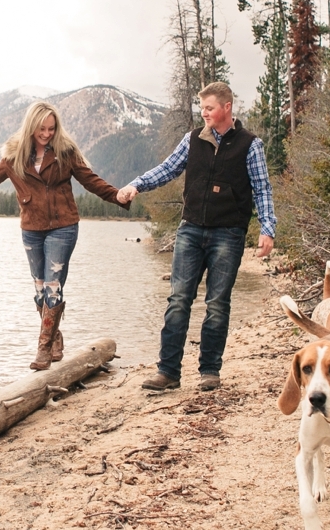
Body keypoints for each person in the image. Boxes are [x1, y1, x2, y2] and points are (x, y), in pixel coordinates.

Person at [0, 101, 128, 370]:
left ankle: (43, 350)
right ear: (31, 126)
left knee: (53, 286)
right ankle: (54, 336)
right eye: (42, 128)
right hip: (32, 230)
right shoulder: (13, 157)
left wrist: (117, 195)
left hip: (63, 227)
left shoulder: (65, 152)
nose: (47, 133)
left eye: (52, 128)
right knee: (40, 289)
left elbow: (91, 180)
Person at [116, 81, 275, 392]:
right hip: (190, 230)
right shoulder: (192, 140)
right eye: (202, 108)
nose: (204, 113)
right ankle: (168, 372)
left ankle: (209, 371)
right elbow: (168, 169)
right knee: (178, 300)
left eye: (209, 108)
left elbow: (262, 189)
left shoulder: (250, 144)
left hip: (228, 233)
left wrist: (267, 229)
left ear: (226, 108)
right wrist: (137, 184)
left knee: (217, 303)